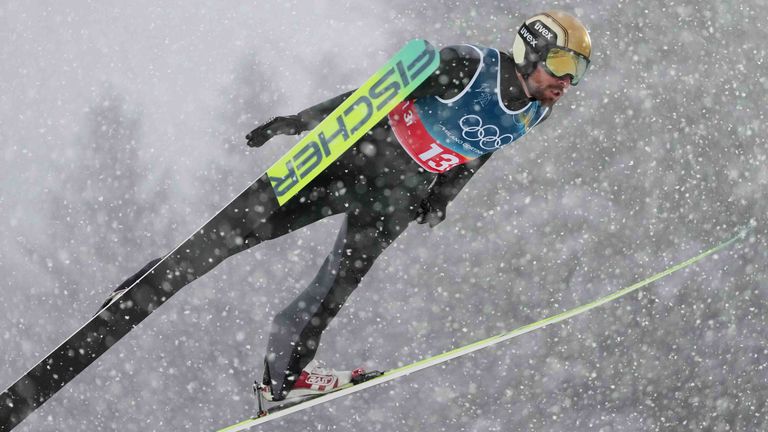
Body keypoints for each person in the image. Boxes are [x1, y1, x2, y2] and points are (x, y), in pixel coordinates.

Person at [103, 10, 592, 403]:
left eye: (579, 72)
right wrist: (302, 121)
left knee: (338, 284)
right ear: (531, 52)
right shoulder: (467, 66)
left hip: (402, 193)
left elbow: (480, 150)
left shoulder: (535, 113)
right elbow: (374, 95)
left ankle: (286, 375)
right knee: (243, 233)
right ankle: (144, 287)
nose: (568, 81)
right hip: (361, 157)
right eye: (562, 65)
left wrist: (441, 198)